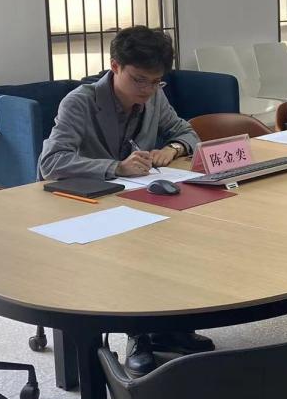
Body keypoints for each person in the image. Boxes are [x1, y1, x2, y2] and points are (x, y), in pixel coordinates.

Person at [38, 26, 213, 377]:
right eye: (139, 80)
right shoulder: (80, 102)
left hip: (137, 199)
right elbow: (51, 163)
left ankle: (168, 328)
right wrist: (115, 167)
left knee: (181, 238)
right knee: (135, 252)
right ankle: (138, 335)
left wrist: (172, 148)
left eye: (156, 82)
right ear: (115, 66)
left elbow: (186, 132)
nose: (147, 90)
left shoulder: (155, 98)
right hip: (86, 206)